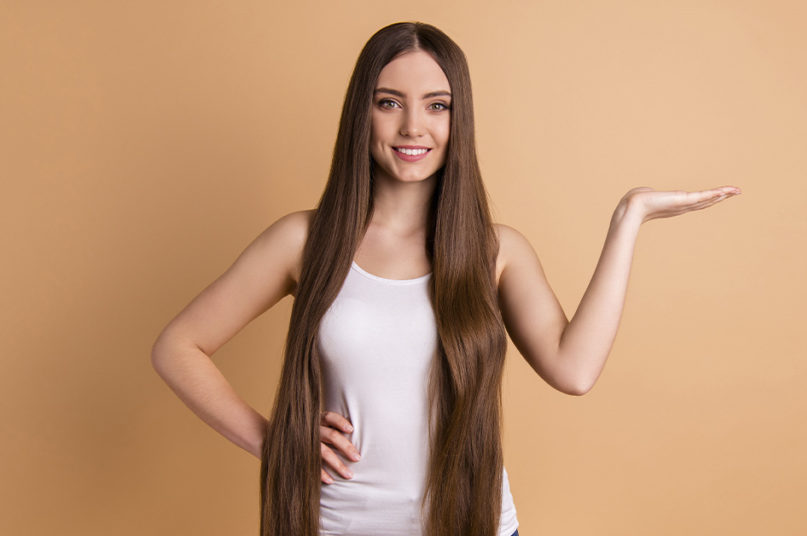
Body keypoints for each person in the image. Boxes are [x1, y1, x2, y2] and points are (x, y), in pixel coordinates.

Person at [150, 21, 740, 536]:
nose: (413, 127)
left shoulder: (494, 250)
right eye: (389, 103)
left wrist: (628, 217)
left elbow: (574, 369)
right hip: (334, 526)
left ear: (460, 118)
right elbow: (178, 346)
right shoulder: (305, 241)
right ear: (362, 112)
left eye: (437, 105)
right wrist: (275, 442)